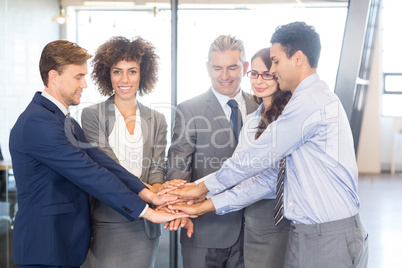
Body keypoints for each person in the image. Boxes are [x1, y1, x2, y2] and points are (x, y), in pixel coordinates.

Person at [167, 22, 369, 268]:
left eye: (275, 61)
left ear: (297, 59)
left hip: (325, 236)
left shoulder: (309, 103)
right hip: (308, 234)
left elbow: (256, 159)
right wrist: (204, 205)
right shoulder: (307, 101)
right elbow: (267, 176)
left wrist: (199, 190)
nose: (272, 70)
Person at [8, 40, 189, 268]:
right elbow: (90, 173)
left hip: (62, 241)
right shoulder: (39, 122)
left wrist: (149, 195)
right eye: (78, 76)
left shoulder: (64, 119)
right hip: (46, 244)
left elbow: (99, 161)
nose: (84, 84)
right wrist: (148, 212)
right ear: (54, 76)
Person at [80, 36, 192, 268]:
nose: (124, 79)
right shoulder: (92, 115)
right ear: (107, 74)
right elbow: (107, 167)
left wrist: (161, 190)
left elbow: (156, 167)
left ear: (143, 74)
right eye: (117, 71)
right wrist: (151, 194)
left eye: (132, 71)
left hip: (145, 225)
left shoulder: (157, 119)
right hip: (108, 220)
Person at [166, 35, 259, 268]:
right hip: (205, 230)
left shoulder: (262, 106)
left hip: (255, 232)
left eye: (232, 67)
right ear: (207, 68)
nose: (224, 76)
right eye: (217, 68)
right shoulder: (189, 109)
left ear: (245, 67)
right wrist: (181, 210)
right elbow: (178, 165)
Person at [242, 47, 291, 268]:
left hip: (275, 215)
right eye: (254, 73)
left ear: (278, 74)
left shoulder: (289, 116)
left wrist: (200, 197)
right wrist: (193, 190)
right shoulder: (252, 118)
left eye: (267, 74)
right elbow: (235, 167)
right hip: (251, 212)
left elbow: (271, 178)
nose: (258, 80)